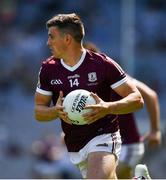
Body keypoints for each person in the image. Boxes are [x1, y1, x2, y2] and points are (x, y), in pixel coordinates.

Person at [34, 13, 144, 179]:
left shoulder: (103, 64)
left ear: (67, 39)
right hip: (76, 144)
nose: (48, 42)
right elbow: (38, 111)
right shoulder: (48, 69)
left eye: (51, 37)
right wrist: (55, 111)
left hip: (105, 135)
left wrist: (107, 107)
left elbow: (137, 99)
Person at [84, 41, 161, 179]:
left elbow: (151, 95)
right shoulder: (83, 87)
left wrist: (155, 130)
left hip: (129, 146)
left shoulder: (116, 78)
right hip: (108, 149)